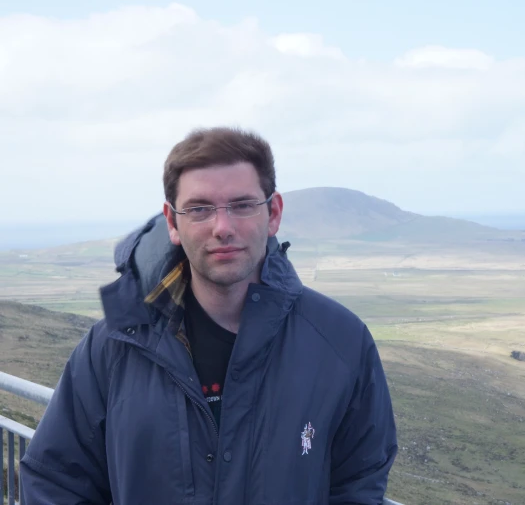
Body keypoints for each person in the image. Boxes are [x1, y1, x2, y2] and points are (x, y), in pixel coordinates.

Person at [20, 127, 398, 504]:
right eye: (200, 208)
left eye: (242, 204)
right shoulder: (113, 347)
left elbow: (359, 486)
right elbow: (55, 481)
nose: (222, 227)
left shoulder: (341, 343)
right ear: (172, 222)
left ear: (273, 213)